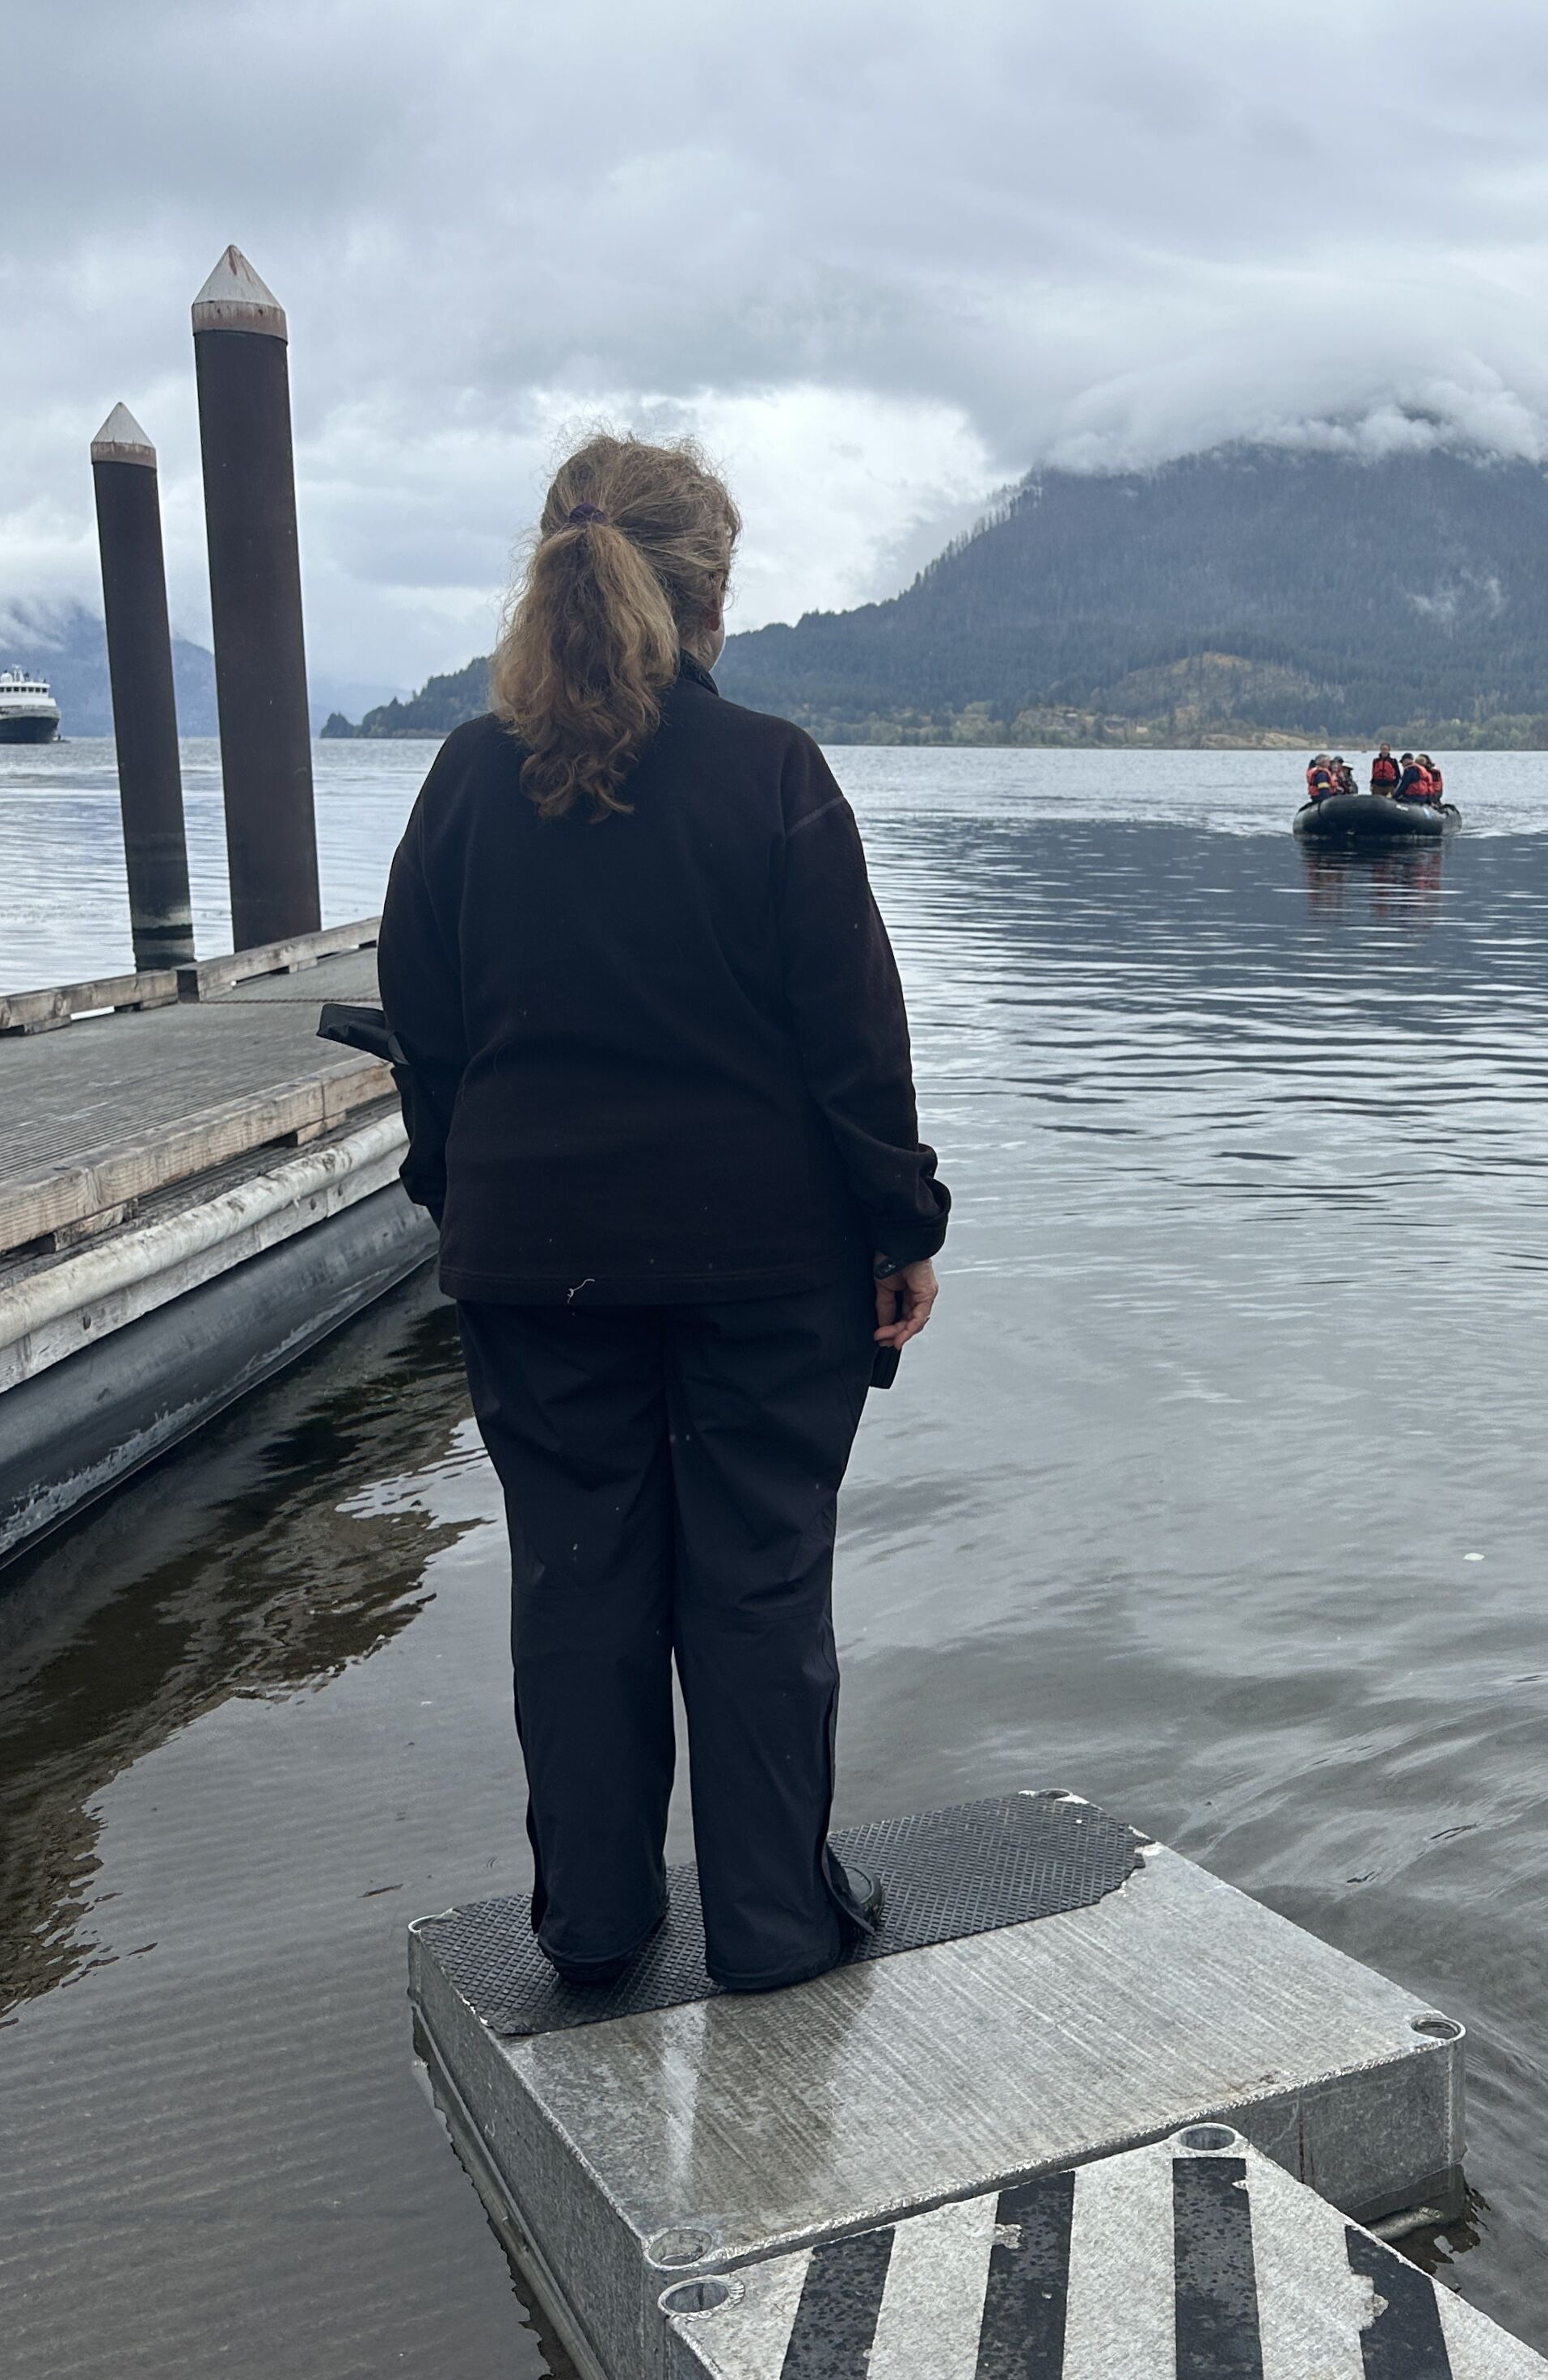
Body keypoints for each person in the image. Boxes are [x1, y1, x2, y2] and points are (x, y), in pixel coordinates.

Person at [380, 434, 949, 1996]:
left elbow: (425, 1029)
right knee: (758, 1585)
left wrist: (459, 1195)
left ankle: (594, 1922)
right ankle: (773, 1924)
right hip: (767, 1267)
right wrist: (901, 1226)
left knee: (577, 1583)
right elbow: (853, 1043)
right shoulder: (772, 772)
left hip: (532, 1264)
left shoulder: (464, 778)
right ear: (710, 601)